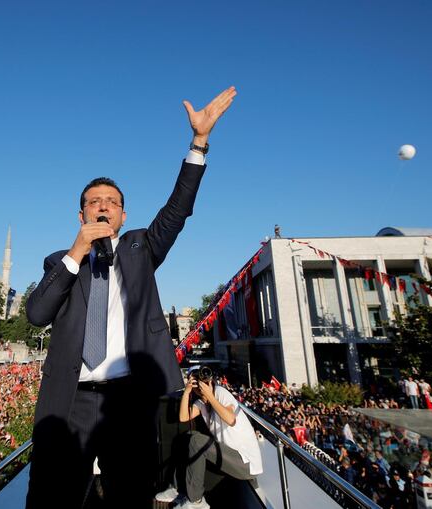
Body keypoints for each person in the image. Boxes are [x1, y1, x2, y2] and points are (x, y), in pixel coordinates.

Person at [24, 86, 237, 509]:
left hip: (129, 399)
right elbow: (36, 314)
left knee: (130, 496)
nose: (103, 206)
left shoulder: (142, 248)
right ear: (81, 214)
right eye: (93, 202)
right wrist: (76, 252)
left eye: (112, 202)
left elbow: (178, 208)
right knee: (54, 497)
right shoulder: (60, 261)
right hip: (71, 400)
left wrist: (198, 143)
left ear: (124, 214)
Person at [155, 367, 263, 509]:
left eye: (201, 380)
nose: (199, 385)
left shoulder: (220, 393)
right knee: (188, 436)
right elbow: (183, 417)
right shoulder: (201, 404)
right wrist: (187, 392)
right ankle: (178, 489)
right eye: (195, 382)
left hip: (245, 462)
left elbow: (231, 419)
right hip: (227, 457)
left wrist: (210, 396)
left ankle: (196, 501)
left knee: (196, 441)